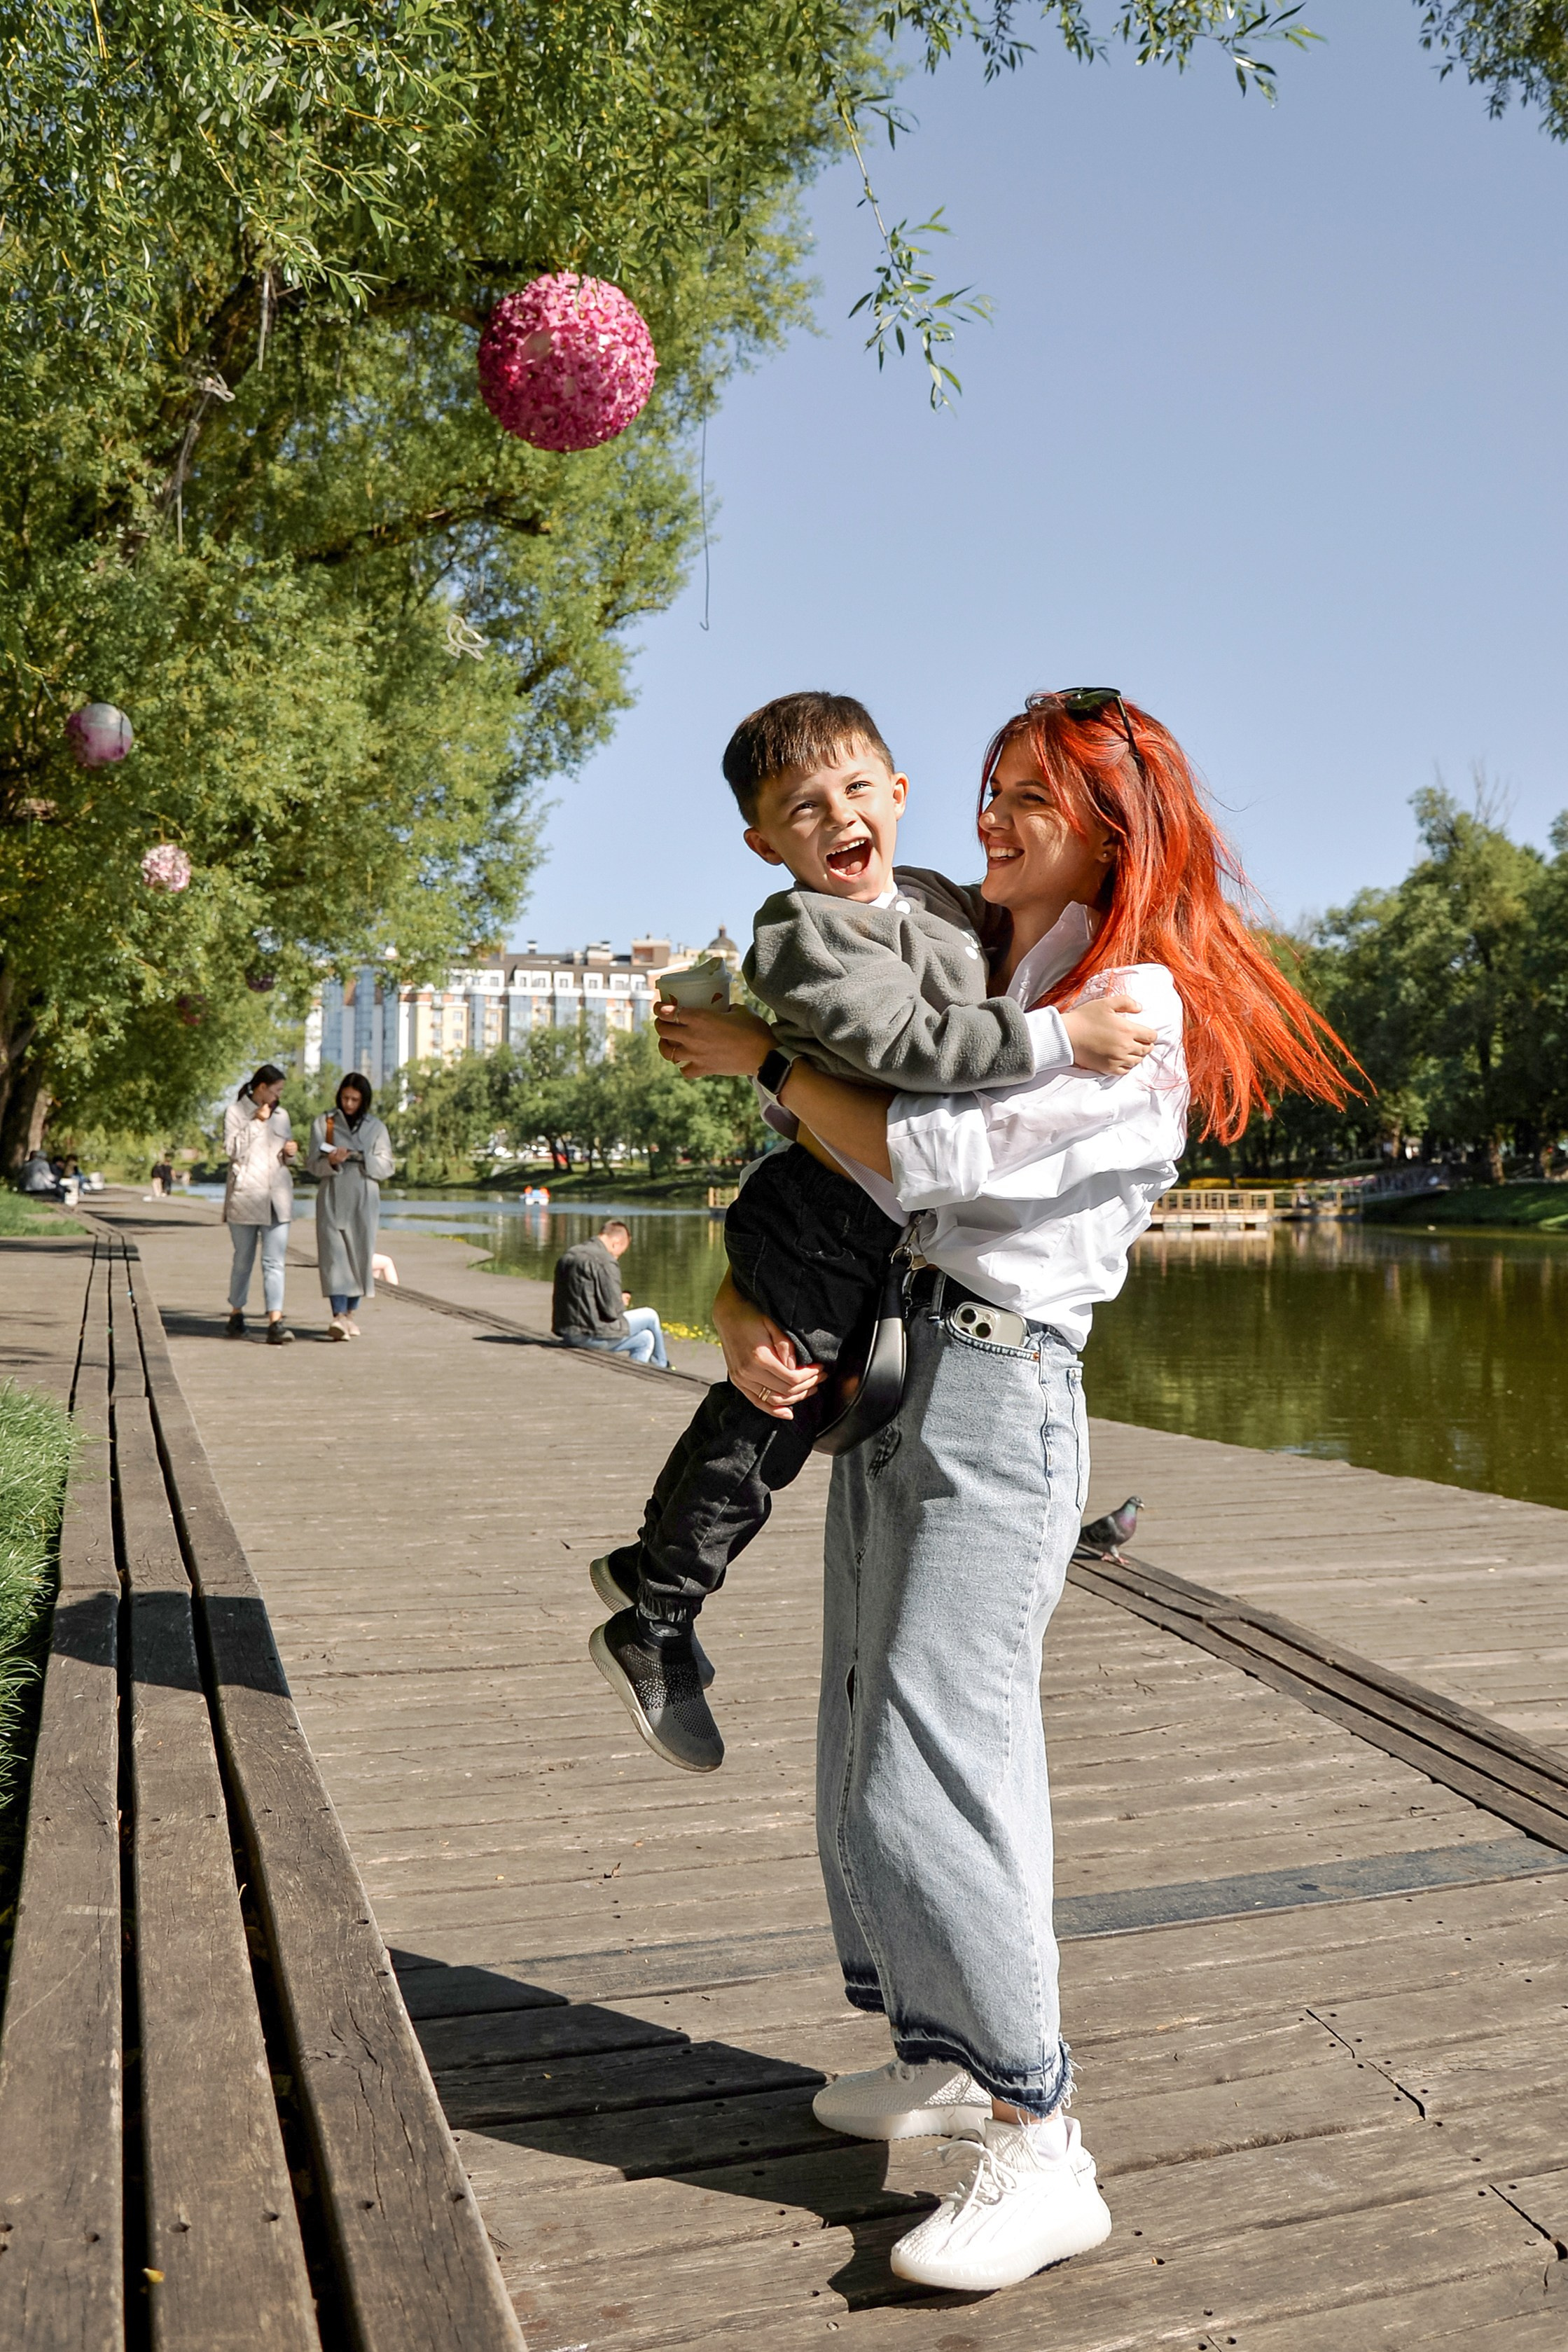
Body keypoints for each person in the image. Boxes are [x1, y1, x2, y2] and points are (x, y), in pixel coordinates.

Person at [659, 688, 1351, 2294]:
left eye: (1030, 795)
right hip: (901, 1368)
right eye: (986, 786)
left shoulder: (1132, 1000)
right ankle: (939, 2046)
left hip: (1000, 1398)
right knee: (860, 1730)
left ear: (1112, 822)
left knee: (931, 1756)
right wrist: (735, 1296)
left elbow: (928, 1162)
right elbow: (839, 1164)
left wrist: (760, 1052)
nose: (990, 816)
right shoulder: (995, 962)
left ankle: (1037, 2133)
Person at [585, 691, 1152, 1776]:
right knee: (767, 1423)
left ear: (897, 793)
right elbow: (904, 1043)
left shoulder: (940, 897)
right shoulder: (798, 935)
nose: (837, 817)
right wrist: (1058, 1035)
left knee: (767, 1406)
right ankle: (653, 1617)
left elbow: (1013, 941)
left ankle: (640, 1565)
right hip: (823, 1209)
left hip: (871, 1227)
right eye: (802, 810)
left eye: (855, 789)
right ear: (764, 843)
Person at [305, 1073, 396, 1339]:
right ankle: (338, 1316)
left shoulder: (376, 1127)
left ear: (364, 1100)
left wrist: (362, 1156)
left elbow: (387, 1165)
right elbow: (312, 1164)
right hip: (333, 1190)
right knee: (334, 1257)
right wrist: (332, 1161)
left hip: (364, 1193)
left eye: (355, 1099)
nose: (349, 1104)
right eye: (345, 1098)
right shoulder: (324, 1123)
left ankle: (350, 1315)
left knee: (360, 1254)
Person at [223, 1064, 298, 1343]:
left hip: (277, 1198)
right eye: (276, 1090)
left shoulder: (283, 1116)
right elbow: (232, 1151)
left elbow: (285, 1157)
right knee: (243, 1260)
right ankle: (236, 1313)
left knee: (275, 1262)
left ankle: (275, 1322)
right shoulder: (235, 1112)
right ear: (262, 1088)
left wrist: (291, 1153)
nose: (279, 1096)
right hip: (245, 1197)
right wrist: (256, 1122)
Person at [552, 1220, 670, 1366]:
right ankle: (662, 1365)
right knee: (650, 1316)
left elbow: (583, 1297)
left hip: (568, 1333)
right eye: (620, 1253)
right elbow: (613, 1312)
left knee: (646, 1339)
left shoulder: (570, 1255)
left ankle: (634, 1373)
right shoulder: (606, 1261)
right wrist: (621, 1301)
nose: (617, 1257)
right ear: (616, 1244)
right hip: (590, 1335)